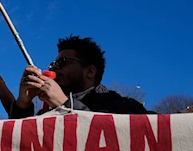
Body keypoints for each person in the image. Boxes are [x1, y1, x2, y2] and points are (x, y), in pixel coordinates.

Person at [9, 35, 151, 118]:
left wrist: (66, 106)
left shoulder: (123, 107)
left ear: (90, 72)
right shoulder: (46, 113)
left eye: (62, 62)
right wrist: (23, 105)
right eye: (53, 63)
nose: (53, 67)